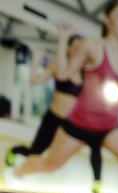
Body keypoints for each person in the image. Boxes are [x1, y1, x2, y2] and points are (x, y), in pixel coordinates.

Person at [13, 0, 118, 193]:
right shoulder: (93, 46)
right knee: (50, 164)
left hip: (110, 126)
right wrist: (63, 38)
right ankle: (17, 173)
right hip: (80, 123)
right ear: (107, 20)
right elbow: (62, 75)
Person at [10, 34, 90, 172]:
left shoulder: (85, 73)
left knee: (55, 157)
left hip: (68, 124)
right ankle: (14, 153)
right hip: (53, 119)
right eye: (75, 46)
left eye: (81, 47)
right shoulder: (57, 66)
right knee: (35, 152)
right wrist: (36, 60)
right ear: (68, 48)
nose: (78, 50)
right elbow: (34, 81)